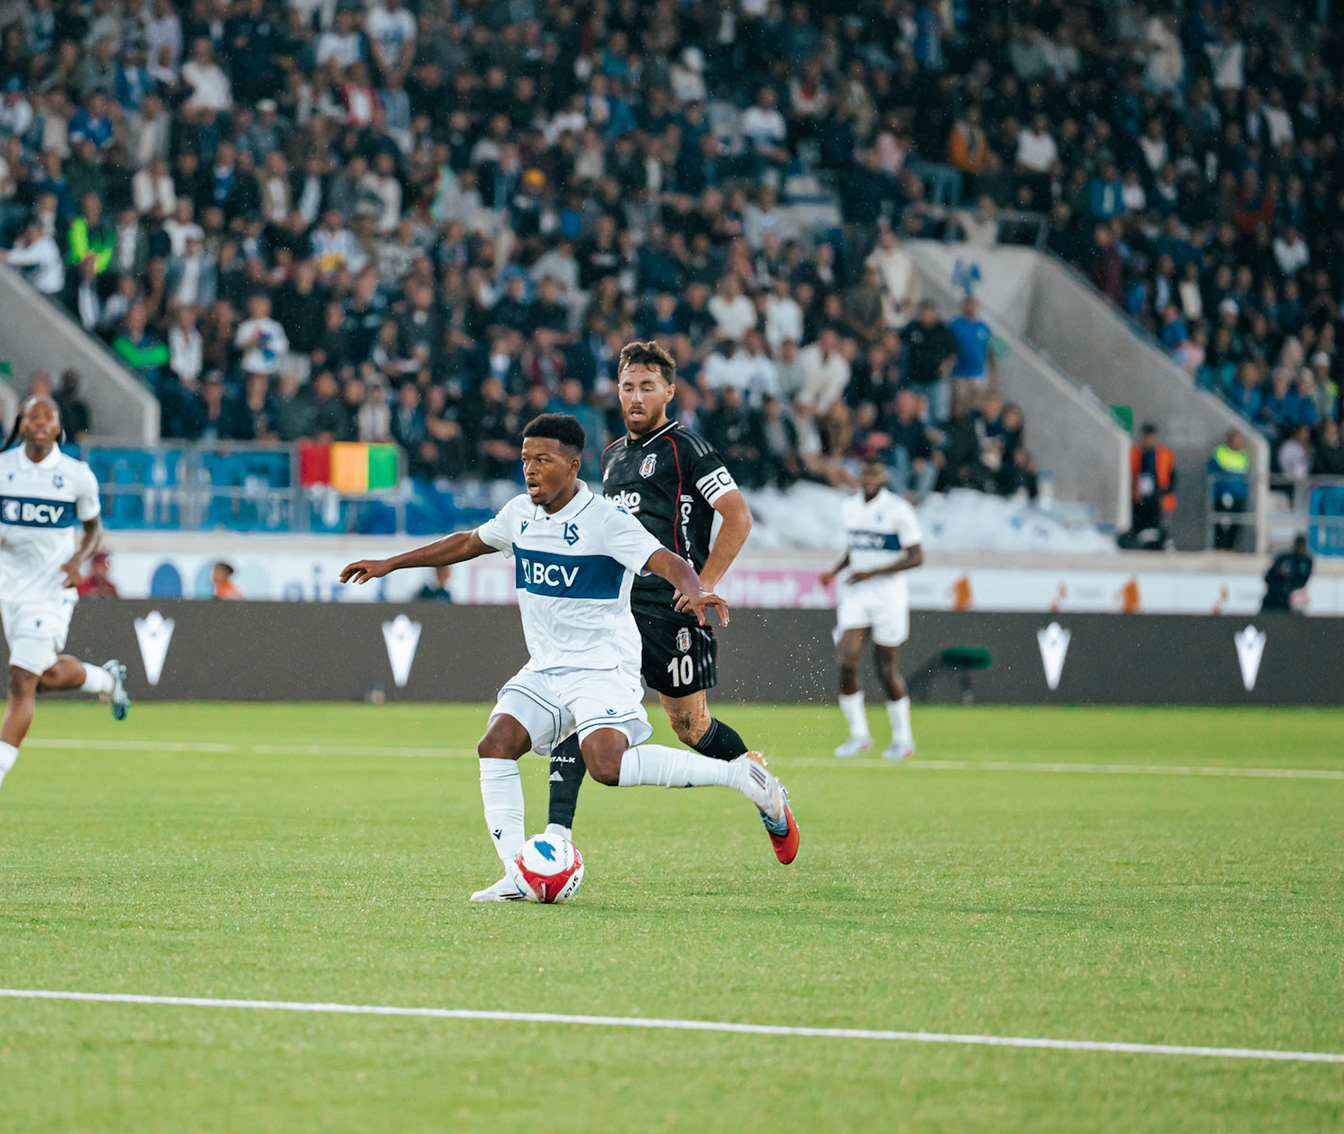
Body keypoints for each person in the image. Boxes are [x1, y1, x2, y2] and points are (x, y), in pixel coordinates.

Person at [339, 413, 796, 903]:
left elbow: (669, 562)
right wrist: (391, 562)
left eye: (543, 460)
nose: (530, 470)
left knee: (606, 765)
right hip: (547, 668)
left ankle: (741, 774)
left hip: (603, 667)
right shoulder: (518, 514)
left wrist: (696, 589)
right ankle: (520, 874)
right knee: (495, 744)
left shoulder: (606, 521)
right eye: (525, 460)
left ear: (574, 465)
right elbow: (468, 543)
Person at [545, 341, 793, 863]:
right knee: (581, 711)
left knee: (691, 727)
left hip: (671, 611)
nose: (636, 397)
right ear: (617, 391)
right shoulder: (611, 457)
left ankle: (762, 787)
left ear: (669, 392)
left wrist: (700, 585)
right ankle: (553, 842)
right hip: (614, 614)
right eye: (628, 387)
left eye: (648, 387)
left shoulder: (687, 448)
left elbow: (738, 516)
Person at [0, 394, 129, 807]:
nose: (39, 422)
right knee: (44, 675)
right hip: (12, 591)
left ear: (57, 426)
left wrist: (77, 561)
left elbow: (92, 529)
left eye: (47, 416)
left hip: (53, 590)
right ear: (20, 423)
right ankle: (106, 680)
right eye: (32, 416)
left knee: (21, 682)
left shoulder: (76, 475)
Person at [823, 455, 926, 760]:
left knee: (885, 668)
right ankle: (858, 735)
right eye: (864, 474)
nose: (868, 480)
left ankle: (903, 739)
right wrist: (835, 570)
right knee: (847, 659)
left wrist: (873, 572)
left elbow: (917, 557)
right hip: (856, 594)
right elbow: (857, 547)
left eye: (874, 475)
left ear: (884, 478)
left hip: (888, 597)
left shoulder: (898, 510)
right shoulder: (850, 508)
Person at [1127, 423, 1175, 550]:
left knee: (1155, 528)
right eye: (1146, 437)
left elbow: (1172, 477)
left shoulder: (1164, 454)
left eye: (1151, 437)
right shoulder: (1135, 454)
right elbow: (1129, 474)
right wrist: (1133, 491)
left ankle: (1157, 546)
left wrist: (1164, 493)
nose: (1149, 440)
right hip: (1139, 499)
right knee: (1139, 528)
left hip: (1157, 498)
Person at [1260, 535, 1313, 614]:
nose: (1300, 548)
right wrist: (1279, 572)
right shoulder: (1283, 558)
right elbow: (1268, 577)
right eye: (1298, 545)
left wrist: (1291, 579)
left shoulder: (1307, 562)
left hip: (1288, 600)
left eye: (1302, 545)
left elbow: (1302, 582)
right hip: (1273, 596)